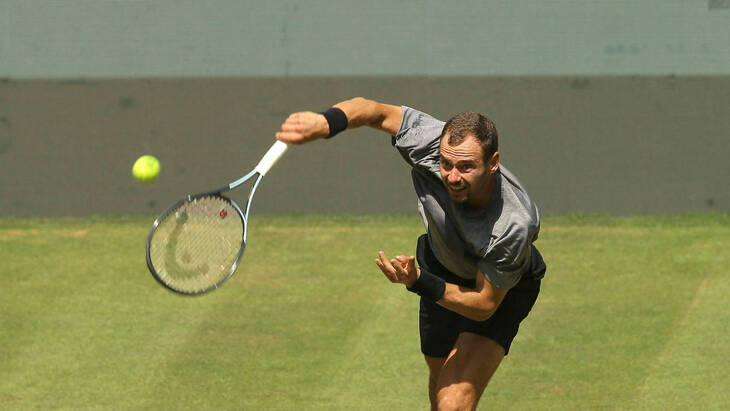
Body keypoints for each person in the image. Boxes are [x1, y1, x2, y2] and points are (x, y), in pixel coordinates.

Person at [276, 97, 546, 411]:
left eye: (466, 167)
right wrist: (326, 123)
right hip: (442, 262)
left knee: (452, 403)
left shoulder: (513, 223)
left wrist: (418, 281)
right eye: (446, 164)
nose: (453, 177)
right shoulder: (431, 143)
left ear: (493, 162)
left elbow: (484, 305)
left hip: (499, 289)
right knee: (439, 378)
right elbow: (373, 111)